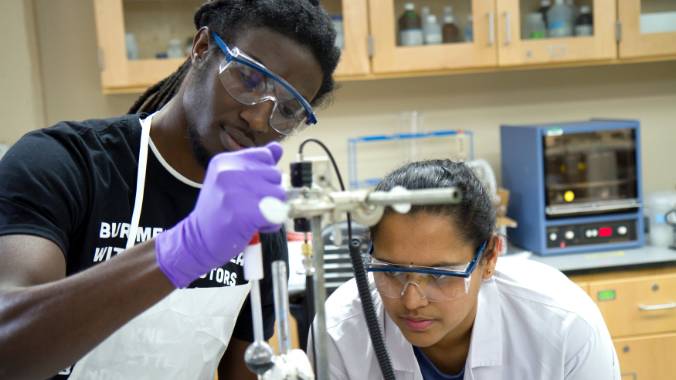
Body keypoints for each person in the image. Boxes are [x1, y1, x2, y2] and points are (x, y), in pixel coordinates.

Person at [0, 0, 339, 379]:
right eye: (248, 77)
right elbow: (6, 346)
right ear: (202, 48)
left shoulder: (257, 229)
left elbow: (243, 370)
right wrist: (184, 249)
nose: (258, 117)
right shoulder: (64, 164)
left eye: (289, 109)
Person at [313, 160, 620, 379]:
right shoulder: (340, 330)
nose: (411, 301)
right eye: (391, 271)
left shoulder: (563, 324)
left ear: (489, 257)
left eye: (438, 275)